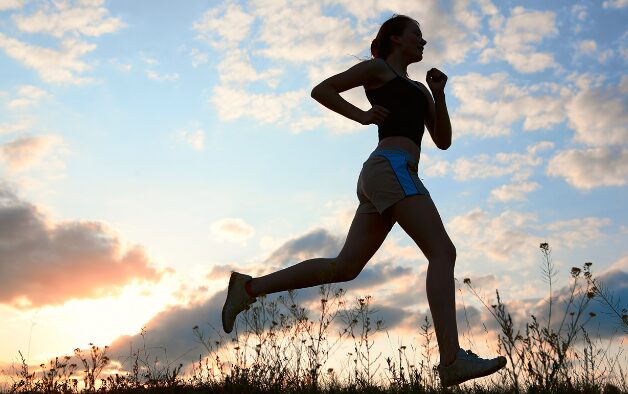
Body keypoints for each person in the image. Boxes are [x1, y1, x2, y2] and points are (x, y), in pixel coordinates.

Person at [221, 14, 507, 387]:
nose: (423, 41)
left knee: (345, 266)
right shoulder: (378, 69)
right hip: (390, 168)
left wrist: (438, 93)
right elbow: (322, 90)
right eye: (416, 34)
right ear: (394, 39)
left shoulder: (420, 90)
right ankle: (451, 359)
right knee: (443, 252)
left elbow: (443, 140)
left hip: (385, 175)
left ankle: (248, 288)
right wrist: (363, 116)